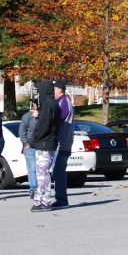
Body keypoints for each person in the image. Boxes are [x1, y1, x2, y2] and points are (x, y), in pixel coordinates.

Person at [30, 81, 61, 212]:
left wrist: (34, 139)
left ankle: (44, 201)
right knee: (44, 172)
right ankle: (41, 199)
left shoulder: (48, 105)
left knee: (42, 174)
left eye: (39, 91)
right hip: (49, 143)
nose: (38, 94)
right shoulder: (53, 104)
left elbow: (44, 125)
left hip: (44, 143)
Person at [52, 80, 74, 209]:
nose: (52, 92)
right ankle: (60, 198)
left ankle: (62, 199)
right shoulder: (60, 101)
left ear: (60, 89)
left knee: (58, 171)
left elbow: (59, 118)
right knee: (57, 171)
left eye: (54, 89)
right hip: (61, 142)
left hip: (63, 143)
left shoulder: (63, 101)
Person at [19, 97, 39, 199]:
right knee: (32, 169)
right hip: (30, 147)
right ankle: (34, 189)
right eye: (34, 102)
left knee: (41, 169)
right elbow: (22, 131)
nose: (35, 104)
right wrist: (25, 144)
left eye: (37, 102)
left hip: (42, 147)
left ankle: (40, 189)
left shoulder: (44, 116)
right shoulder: (27, 116)